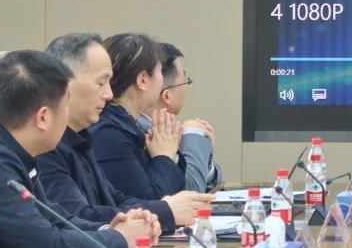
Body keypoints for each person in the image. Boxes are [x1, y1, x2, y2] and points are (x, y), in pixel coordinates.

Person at [37, 34, 211, 233]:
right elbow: (76, 216)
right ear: (63, 84)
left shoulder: (79, 138)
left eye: (109, 83)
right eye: (101, 83)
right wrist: (165, 206)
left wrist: (167, 207)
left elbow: (114, 199)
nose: (109, 94)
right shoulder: (48, 145)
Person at [0, 50, 157, 247]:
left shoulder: (14, 155)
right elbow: (46, 242)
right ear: (43, 117)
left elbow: (56, 219)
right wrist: (120, 238)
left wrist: (109, 230)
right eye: (65, 106)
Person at [89, 34, 185, 199]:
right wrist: (164, 156)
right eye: (159, 71)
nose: (162, 80)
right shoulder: (109, 134)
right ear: (142, 80)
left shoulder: (128, 123)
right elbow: (148, 202)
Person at [135, 43, 221, 192]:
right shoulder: (145, 134)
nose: (187, 87)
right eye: (186, 81)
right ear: (167, 95)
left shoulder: (166, 130)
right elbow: (192, 188)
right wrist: (193, 135)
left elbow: (211, 181)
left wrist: (203, 155)